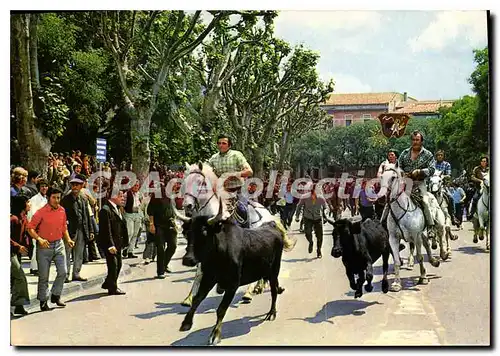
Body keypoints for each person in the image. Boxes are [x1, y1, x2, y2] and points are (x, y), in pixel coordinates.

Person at [382, 130, 436, 238]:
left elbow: (432, 169)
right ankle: (382, 224)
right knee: (391, 199)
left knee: (425, 201)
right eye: (413, 140)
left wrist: (420, 172)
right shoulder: (404, 153)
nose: (415, 142)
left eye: (417, 140)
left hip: (419, 183)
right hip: (405, 183)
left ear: (421, 141)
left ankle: (430, 227)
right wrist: (401, 173)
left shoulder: (428, 154)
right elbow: (399, 166)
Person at [28, 187, 75, 311]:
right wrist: (39, 239)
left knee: (63, 271)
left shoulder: (62, 210)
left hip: (59, 244)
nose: (56, 200)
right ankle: (43, 301)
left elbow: (64, 227)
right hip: (44, 247)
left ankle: (55, 295)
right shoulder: (41, 212)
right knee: (44, 276)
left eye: (58, 197)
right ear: (48, 198)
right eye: (54, 197)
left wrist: (68, 239)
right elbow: (30, 228)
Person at [207, 134, 253, 228]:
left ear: (229, 145)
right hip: (220, 193)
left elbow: (249, 171)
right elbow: (208, 173)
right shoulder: (213, 158)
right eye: (219, 143)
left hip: (237, 191)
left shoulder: (236, 155)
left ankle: (247, 232)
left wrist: (232, 175)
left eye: (224, 143)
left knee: (243, 210)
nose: (221, 145)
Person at [61, 174, 94, 282]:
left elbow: (87, 215)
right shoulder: (66, 199)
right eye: (73, 185)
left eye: (77, 185)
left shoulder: (84, 199)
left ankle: (76, 273)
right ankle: (65, 275)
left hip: (82, 229)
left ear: (81, 186)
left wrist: (91, 230)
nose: (75, 187)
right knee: (67, 253)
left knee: (79, 253)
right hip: (70, 230)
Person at [97, 187, 128, 295]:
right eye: (120, 196)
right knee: (114, 265)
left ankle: (108, 283)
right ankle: (113, 288)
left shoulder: (117, 208)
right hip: (110, 244)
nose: (123, 198)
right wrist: (110, 245)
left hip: (118, 242)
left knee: (118, 264)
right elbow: (106, 229)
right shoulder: (105, 210)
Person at [147, 181, 177, 278]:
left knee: (173, 245)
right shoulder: (157, 195)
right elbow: (150, 210)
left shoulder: (171, 195)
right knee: (160, 248)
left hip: (170, 224)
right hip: (159, 225)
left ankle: (164, 264)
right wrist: (151, 224)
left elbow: (172, 209)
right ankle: (160, 272)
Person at [295, 183, 328, 259]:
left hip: (317, 218)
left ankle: (319, 250)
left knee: (320, 235)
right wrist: (297, 216)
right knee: (307, 233)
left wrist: (325, 214)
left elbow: (326, 207)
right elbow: (299, 206)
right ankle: (311, 242)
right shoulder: (304, 197)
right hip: (308, 218)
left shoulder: (321, 198)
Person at [10, 196, 31, 315]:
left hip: (15, 252)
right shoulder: (12, 219)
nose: (30, 204)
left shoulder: (24, 218)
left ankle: (18, 306)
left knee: (14, 279)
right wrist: (18, 246)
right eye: (27, 202)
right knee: (20, 277)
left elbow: (25, 235)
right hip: (9, 252)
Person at [27, 179, 50, 275]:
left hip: (45, 226)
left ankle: (35, 267)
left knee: (42, 248)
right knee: (36, 247)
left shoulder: (46, 199)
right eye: (42, 186)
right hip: (36, 226)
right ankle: (35, 268)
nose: (44, 188)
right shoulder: (34, 199)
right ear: (39, 188)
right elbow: (32, 214)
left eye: (46, 186)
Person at [468, 156, 489, 220]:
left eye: (484, 161)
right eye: (482, 161)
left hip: (489, 188)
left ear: (487, 162)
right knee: (475, 198)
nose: (483, 162)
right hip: (479, 188)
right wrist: (480, 181)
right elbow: (472, 177)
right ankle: (472, 213)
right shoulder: (476, 169)